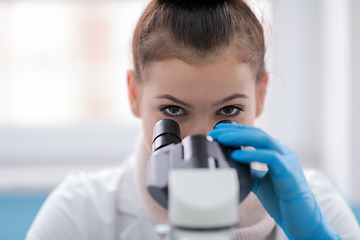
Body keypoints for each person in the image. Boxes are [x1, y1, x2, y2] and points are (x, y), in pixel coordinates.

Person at [26, 0, 360, 239]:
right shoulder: (80, 212)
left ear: (260, 95)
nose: (201, 138)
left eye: (228, 111)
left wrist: (315, 235)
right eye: (172, 111)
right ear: (134, 95)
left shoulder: (317, 204)